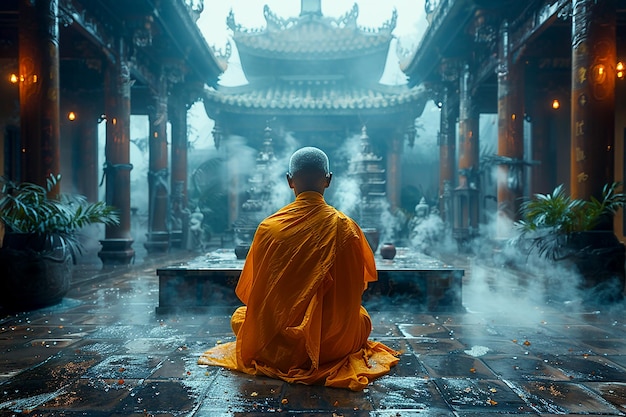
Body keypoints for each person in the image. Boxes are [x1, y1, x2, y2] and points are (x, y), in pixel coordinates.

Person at [198, 146, 399, 391]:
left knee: (242, 318)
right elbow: (356, 289)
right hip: (333, 346)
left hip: (277, 349)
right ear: (329, 180)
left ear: (290, 181)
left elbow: (254, 294)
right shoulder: (347, 229)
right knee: (362, 318)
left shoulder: (268, 229)